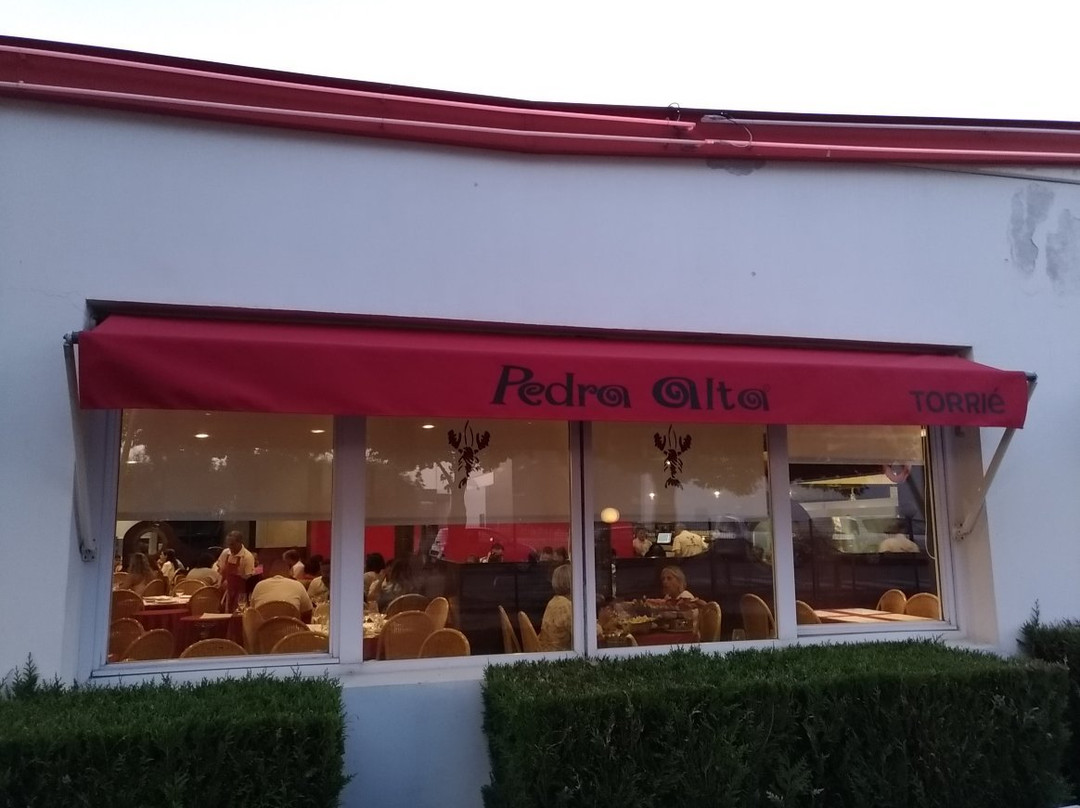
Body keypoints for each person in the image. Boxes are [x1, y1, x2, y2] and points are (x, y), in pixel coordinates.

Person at [215, 530, 256, 611]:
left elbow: (249, 578)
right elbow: (221, 571)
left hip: (241, 592)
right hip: (227, 590)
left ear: (240, 542)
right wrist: (219, 583)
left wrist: (236, 579)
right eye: (228, 544)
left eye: (232, 544)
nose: (230, 547)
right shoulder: (225, 553)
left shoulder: (247, 557)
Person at [538, 563, 573, 651]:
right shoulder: (566, 605)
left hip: (546, 651)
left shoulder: (553, 602)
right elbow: (584, 632)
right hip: (560, 654)